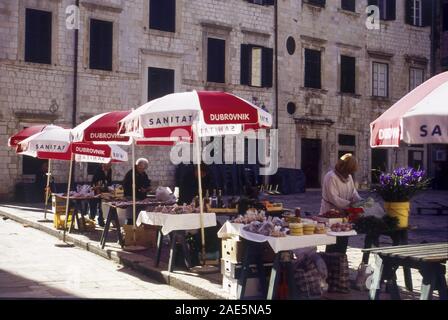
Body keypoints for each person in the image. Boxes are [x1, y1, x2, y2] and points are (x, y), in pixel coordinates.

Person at [321, 154, 362, 254]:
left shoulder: (349, 177)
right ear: (344, 167)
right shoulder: (331, 177)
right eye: (349, 170)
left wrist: (361, 201)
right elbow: (334, 198)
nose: (350, 173)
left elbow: (353, 193)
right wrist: (350, 205)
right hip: (330, 213)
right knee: (333, 241)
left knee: (343, 239)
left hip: (344, 214)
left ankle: (340, 262)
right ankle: (330, 262)